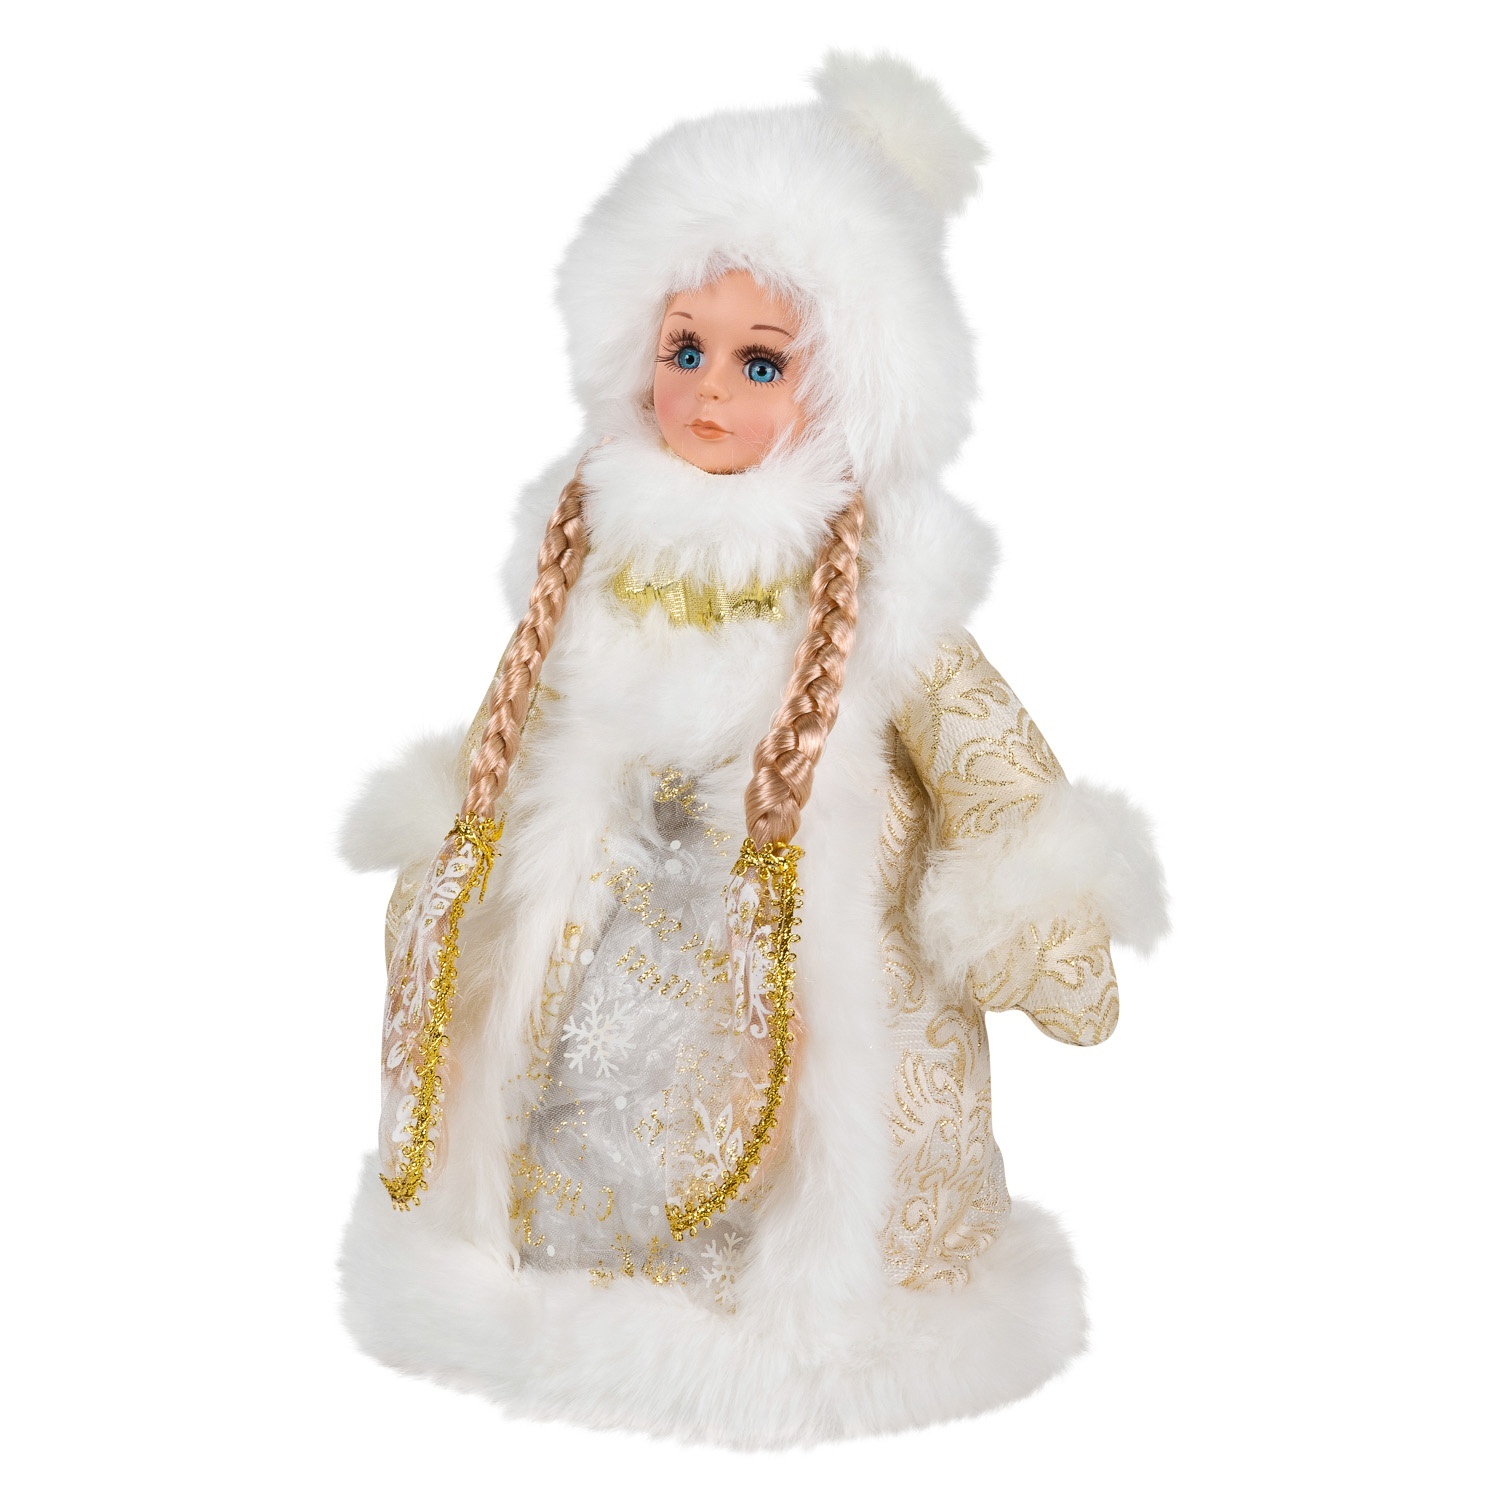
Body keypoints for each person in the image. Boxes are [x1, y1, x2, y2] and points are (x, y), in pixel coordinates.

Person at [339, 50, 1168, 1447]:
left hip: (807, 1016)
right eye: (683, 349)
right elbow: (502, 753)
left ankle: (803, 1316)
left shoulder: (886, 604)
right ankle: (557, 1269)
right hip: (596, 1052)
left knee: (825, 1128)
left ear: (846, 390)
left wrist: (1034, 907)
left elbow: (991, 762)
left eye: (759, 360)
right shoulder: (588, 579)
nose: (708, 390)